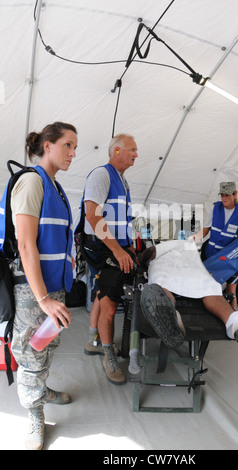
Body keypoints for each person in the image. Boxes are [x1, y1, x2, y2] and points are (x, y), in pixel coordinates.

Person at [10, 122, 78, 450]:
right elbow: (26, 246)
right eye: (68, 145)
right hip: (33, 291)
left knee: (45, 345)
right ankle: (35, 414)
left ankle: (42, 389)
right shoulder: (31, 182)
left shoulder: (56, 187)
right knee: (31, 353)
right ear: (48, 145)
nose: (73, 153)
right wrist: (44, 299)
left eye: (75, 147)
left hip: (53, 289)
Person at [140, 239, 238, 345]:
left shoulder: (179, 245)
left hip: (186, 270)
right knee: (167, 285)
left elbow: (149, 253)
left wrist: (141, 260)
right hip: (171, 268)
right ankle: (171, 320)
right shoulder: (183, 245)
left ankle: (234, 322)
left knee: (206, 285)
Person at [81, 134, 138, 385]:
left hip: (115, 245)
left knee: (101, 294)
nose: (137, 154)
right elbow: (93, 217)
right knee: (110, 304)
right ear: (116, 151)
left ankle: (93, 340)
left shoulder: (122, 180)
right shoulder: (101, 175)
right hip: (103, 249)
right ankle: (107, 354)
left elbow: (118, 217)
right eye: (132, 150)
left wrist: (130, 242)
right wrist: (117, 250)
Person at [200, 182, 238, 309]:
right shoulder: (215, 208)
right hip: (212, 255)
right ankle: (215, 316)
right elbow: (206, 229)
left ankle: (233, 319)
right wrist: (194, 239)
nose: (224, 198)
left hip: (230, 256)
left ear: (235, 194)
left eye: (227, 195)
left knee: (231, 291)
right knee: (211, 288)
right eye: (222, 195)